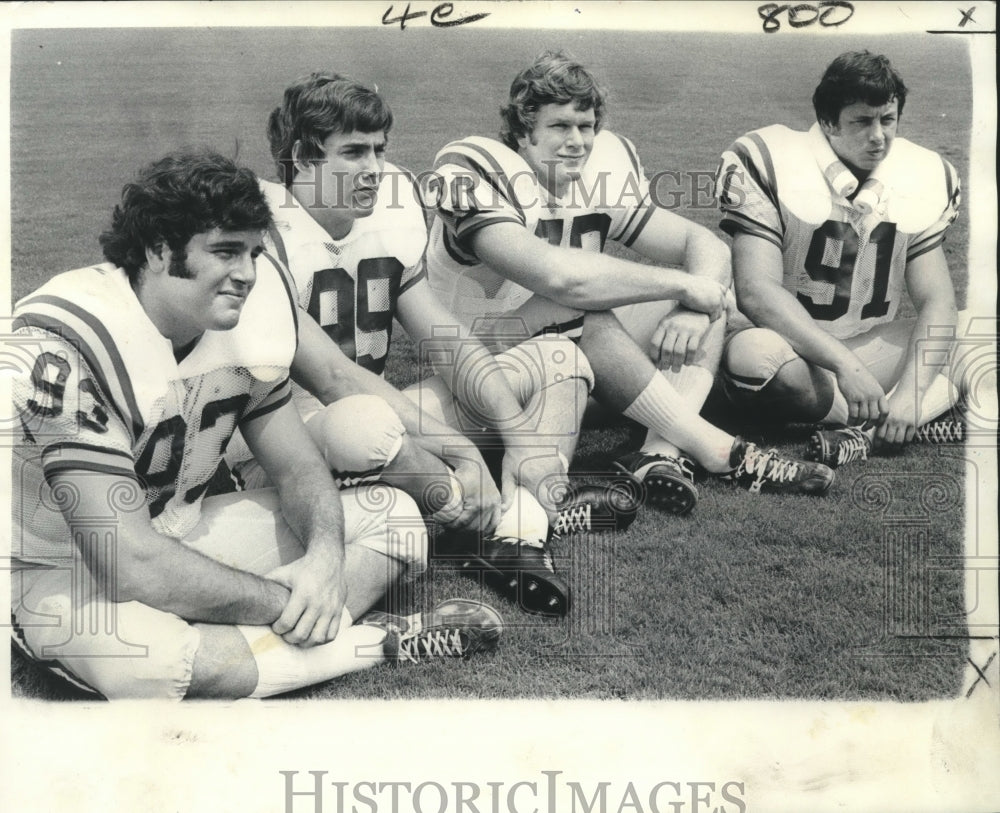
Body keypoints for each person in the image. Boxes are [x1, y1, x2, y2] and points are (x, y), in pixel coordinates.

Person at [9, 152, 501, 701]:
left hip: (177, 528)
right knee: (154, 665)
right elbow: (127, 562)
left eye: (253, 252)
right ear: (157, 250)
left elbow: (296, 469)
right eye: (225, 252)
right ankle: (368, 643)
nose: (246, 273)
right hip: (61, 564)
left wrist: (324, 559)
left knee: (396, 520)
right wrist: (286, 599)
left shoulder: (256, 303)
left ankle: (246, 647)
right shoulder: (65, 338)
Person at [230, 72, 627, 618]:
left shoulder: (390, 212)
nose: (374, 169)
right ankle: (475, 514)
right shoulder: (262, 232)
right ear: (301, 156)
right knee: (363, 423)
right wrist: (461, 452)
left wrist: (519, 439)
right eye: (353, 153)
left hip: (377, 430)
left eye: (379, 150)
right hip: (282, 449)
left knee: (557, 357)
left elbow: (445, 341)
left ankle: (517, 533)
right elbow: (335, 379)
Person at [424, 50, 834, 509]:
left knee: (709, 298)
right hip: (480, 366)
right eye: (559, 127)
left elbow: (706, 246)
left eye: (586, 126)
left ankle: (658, 454)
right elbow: (561, 280)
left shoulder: (598, 170)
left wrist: (694, 307)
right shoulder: (479, 169)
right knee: (581, 305)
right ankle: (718, 449)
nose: (577, 141)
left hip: (572, 364)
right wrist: (680, 286)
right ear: (523, 131)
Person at [718, 50, 972, 467]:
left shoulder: (921, 173)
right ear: (828, 122)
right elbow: (755, 291)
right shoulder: (770, 159)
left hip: (868, 344)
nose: (878, 136)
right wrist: (846, 366)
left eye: (887, 120)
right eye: (862, 121)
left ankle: (877, 427)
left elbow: (937, 300)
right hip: (790, 350)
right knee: (754, 358)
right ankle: (917, 413)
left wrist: (908, 392)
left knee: (980, 327)